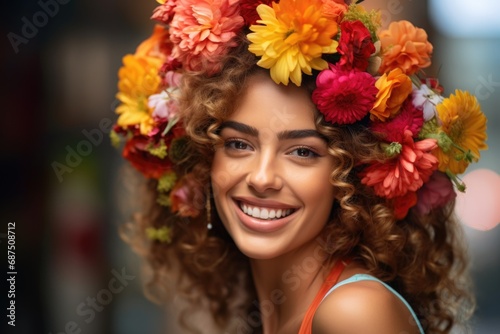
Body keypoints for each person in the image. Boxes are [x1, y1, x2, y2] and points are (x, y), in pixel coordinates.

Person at [112, 0, 488, 333]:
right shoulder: (272, 305)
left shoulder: (354, 312)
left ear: (351, 175)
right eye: (239, 144)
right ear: (204, 161)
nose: (261, 178)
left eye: (302, 152)